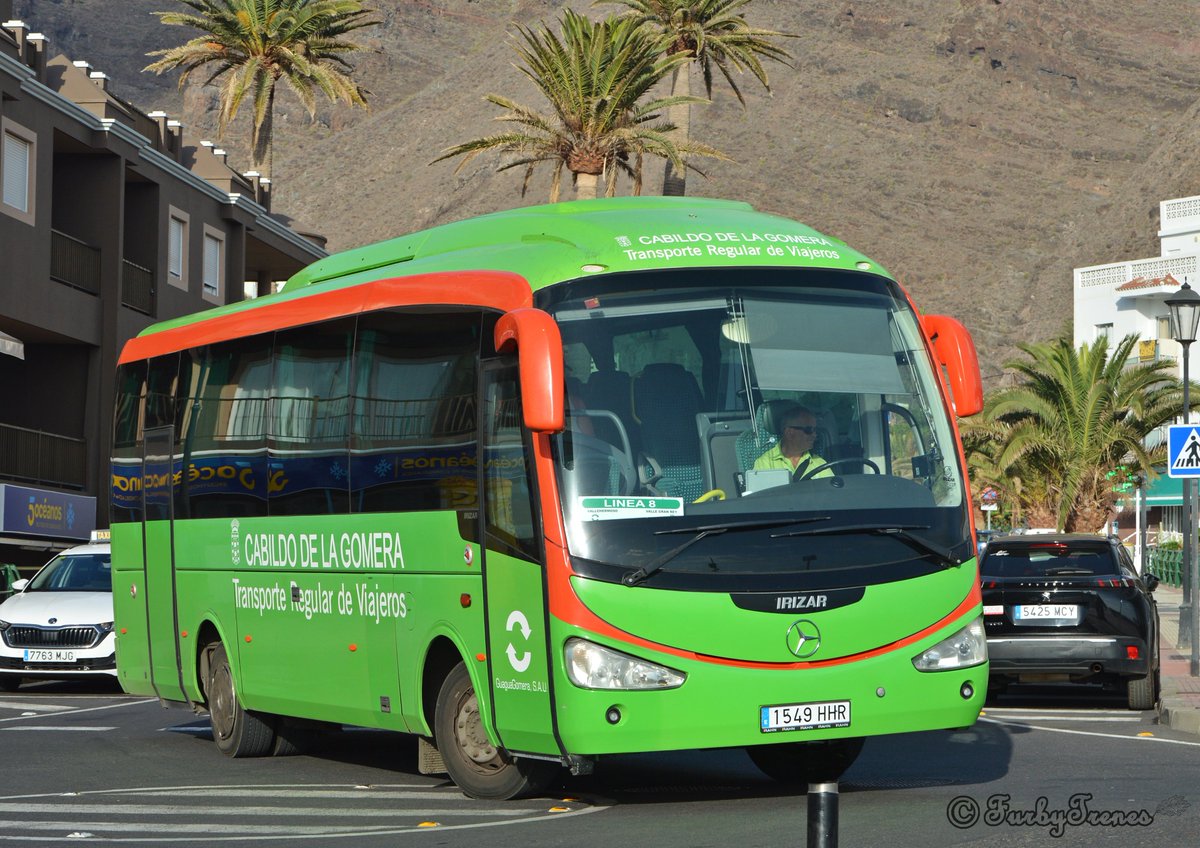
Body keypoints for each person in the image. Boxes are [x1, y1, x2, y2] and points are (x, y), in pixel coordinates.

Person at [753, 405, 833, 479]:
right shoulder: (764, 463)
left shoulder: (819, 463)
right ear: (789, 433)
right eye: (809, 430)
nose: (814, 435)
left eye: (815, 430)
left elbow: (832, 493)